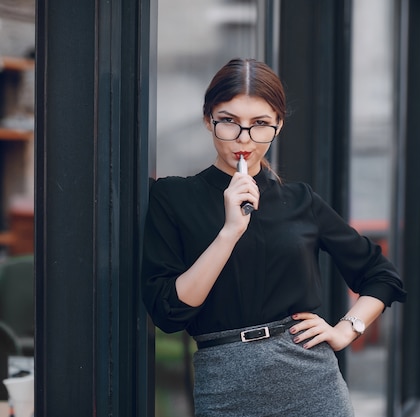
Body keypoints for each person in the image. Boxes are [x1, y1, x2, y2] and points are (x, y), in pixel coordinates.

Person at [141, 58, 406, 417]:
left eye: (260, 124)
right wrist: (230, 231)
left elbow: (381, 275)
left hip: (312, 383)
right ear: (208, 119)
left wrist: (347, 329)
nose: (244, 139)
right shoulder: (173, 197)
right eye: (229, 122)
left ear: (278, 125)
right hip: (225, 386)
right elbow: (168, 313)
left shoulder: (300, 200)